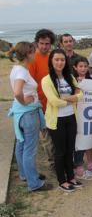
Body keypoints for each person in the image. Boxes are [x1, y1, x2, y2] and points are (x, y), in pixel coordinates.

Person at [8, 42, 52, 192]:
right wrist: (24, 100)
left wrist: (21, 101)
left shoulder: (17, 68)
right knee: (29, 149)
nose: (36, 54)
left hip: (20, 113)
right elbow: (17, 92)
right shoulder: (22, 72)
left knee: (21, 145)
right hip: (27, 113)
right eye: (34, 52)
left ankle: (25, 174)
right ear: (28, 54)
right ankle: (34, 183)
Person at [41, 49, 83, 192]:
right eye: (56, 59)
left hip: (71, 117)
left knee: (70, 149)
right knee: (60, 151)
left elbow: (81, 94)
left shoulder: (70, 77)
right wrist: (73, 99)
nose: (60, 62)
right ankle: (62, 180)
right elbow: (54, 102)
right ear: (51, 62)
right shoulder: (46, 80)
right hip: (56, 120)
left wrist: (69, 98)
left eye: (62, 60)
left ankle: (71, 177)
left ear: (66, 62)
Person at [28, 29, 56, 170]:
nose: (44, 46)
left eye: (47, 44)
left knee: (55, 134)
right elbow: (29, 84)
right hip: (40, 104)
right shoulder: (32, 59)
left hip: (54, 103)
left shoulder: (52, 57)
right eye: (42, 43)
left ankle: (58, 161)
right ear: (37, 42)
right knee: (46, 137)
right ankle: (53, 164)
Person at [71, 57, 92, 180]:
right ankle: (78, 165)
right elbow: (73, 96)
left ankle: (88, 162)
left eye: (85, 66)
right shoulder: (72, 80)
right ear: (75, 67)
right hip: (76, 115)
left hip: (89, 115)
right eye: (80, 66)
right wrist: (79, 85)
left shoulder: (91, 80)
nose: (83, 68)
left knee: (87, 138)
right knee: (78, 140)